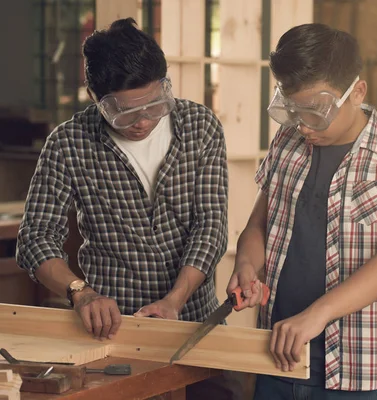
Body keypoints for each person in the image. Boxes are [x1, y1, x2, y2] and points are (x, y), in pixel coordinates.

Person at [16, 18, 241, 400]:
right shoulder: (68, 144)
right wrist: (81, 293)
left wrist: (174, 301)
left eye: (155, 104)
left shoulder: (200, 126)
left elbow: (210, 227)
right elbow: (35, 239)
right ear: (95, 97)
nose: (143, 121)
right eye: (125, 112)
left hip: (194, 324)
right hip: (111, 333)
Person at [226, 23, 377, 399]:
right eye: (293, 110)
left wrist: (316, 315)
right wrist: (246, 265)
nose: (304, 125)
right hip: (277, 358)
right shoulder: (287, 142)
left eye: (316, 112)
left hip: (356, 372)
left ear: (356, 92)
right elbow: (259, 226)